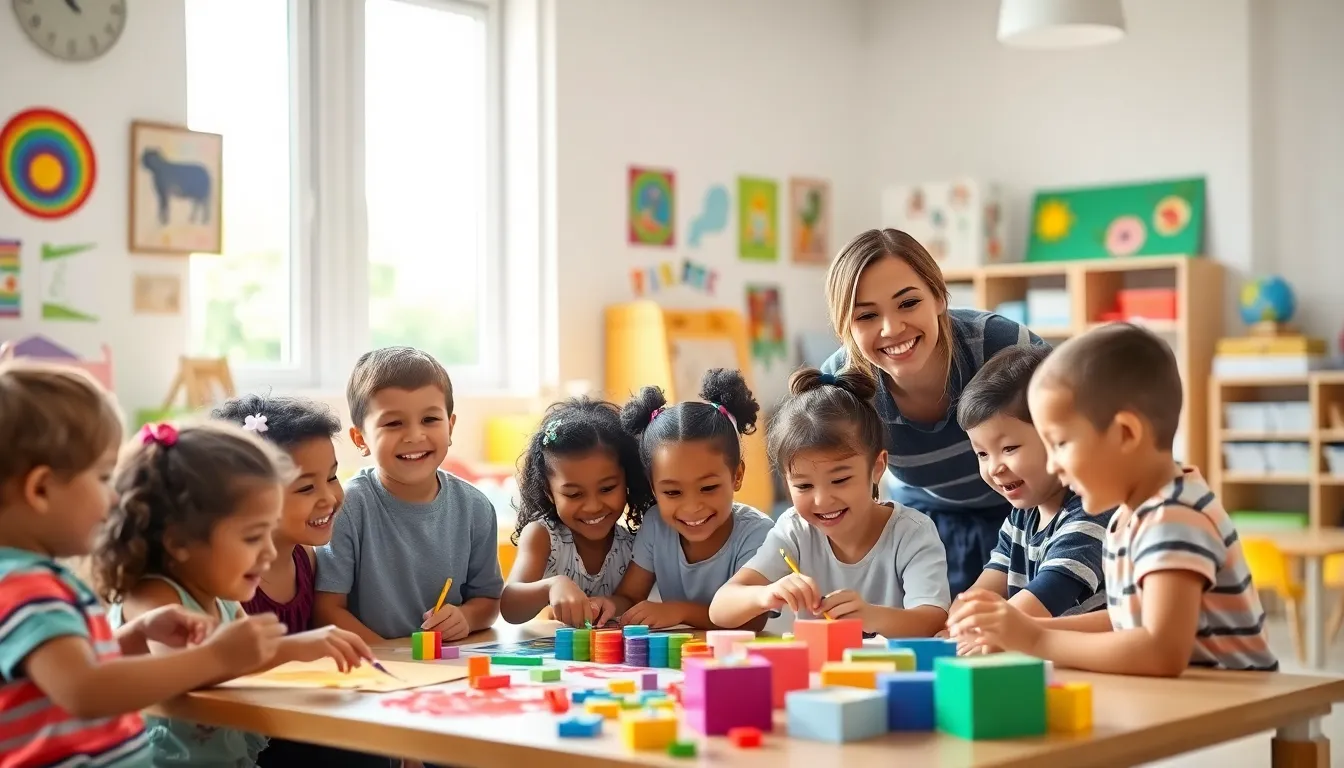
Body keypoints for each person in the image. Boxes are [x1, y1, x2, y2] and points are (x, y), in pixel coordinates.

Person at [947, 323, 1279, 675]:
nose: (1054, 463)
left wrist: (1035, 641)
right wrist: (1018, 632)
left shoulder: (1175, 517)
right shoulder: (1133, 515)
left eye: (1060, 444)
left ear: (1125, 434)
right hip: (1181, 695)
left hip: (1225, 696)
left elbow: (1160, 652)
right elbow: (1124, 623)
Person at [0, 362, 280, 768]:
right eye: (101, 477)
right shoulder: (28, 587)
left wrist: (131, 637)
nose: (114, 500)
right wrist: (216, 656)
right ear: (40, 489)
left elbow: (61, 675)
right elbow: (85, 692)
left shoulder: (30, 579)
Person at [97, 421, 376, 766]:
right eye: (251, 538)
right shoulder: (153, 595)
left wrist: (310, 645)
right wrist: (293, 647)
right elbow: (193, 672)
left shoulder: (223, 599)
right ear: (179, 541)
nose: (269, 553)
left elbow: (245, 658)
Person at [820, 228, 1046, 596]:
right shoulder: (841, 386)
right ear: (845, 326)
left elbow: (1079, 440)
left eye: (908, 303)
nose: (892, 328)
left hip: (1028, 517)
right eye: (866, 316)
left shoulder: (1001, 346)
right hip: (924, 527)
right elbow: (823, 487)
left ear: (939, 296)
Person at [213, 394, 391, 768]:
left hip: (299, 722)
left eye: (331, 477)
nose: (329, 497)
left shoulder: (307, 560)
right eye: (306, 488)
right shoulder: (225, 581)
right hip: (242, 741)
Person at [709, 367, 949, 637]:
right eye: (804, 486)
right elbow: (720, 609)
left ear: (877, 467)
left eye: (840, 480)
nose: (822, 500)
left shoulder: (912, 532)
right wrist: (766, 594)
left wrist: (871, 616)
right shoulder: (795, 530)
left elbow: (933, 620)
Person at [315, 347, 504, 642]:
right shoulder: (348, 506)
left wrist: (466, 617)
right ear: (360, 439)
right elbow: (327, 610)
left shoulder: (476, 507)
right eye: (393, 423)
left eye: (430, 420)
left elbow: (489, 602)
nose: (415, 436)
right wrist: (389, 654)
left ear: (450, 426)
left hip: (446, 664)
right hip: (375, 668)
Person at [955, 345, 1110, 646]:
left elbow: (1048, 594)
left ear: (1056, 438)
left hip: (1096, 665)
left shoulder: (1092, 511)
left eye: (1009, 448)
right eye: (982, 453)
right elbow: (985, 588)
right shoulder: (1021, 518)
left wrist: (985, 633)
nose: (995, 467)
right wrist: (958, 623)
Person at [605, 369, 774, 630]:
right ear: (653, 488)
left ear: (737, 475)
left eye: (708, 488)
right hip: (679, 661)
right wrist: (606, 606)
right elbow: (629, 597)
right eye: (672, 492)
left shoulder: (758, 533)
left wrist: (679, 612)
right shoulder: (655, 525)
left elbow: (753, 619)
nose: (692, 507)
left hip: (737, 660)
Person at [501, 397, 654, 627]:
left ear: (627, 481)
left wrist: (611, 603)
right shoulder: (543, 536)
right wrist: (552, 586)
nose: (593, 506)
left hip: (608, 660)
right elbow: (509, 606)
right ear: (549, 492)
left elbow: (631, 599)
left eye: (607, 488)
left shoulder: (634, 544)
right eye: (574, 494)